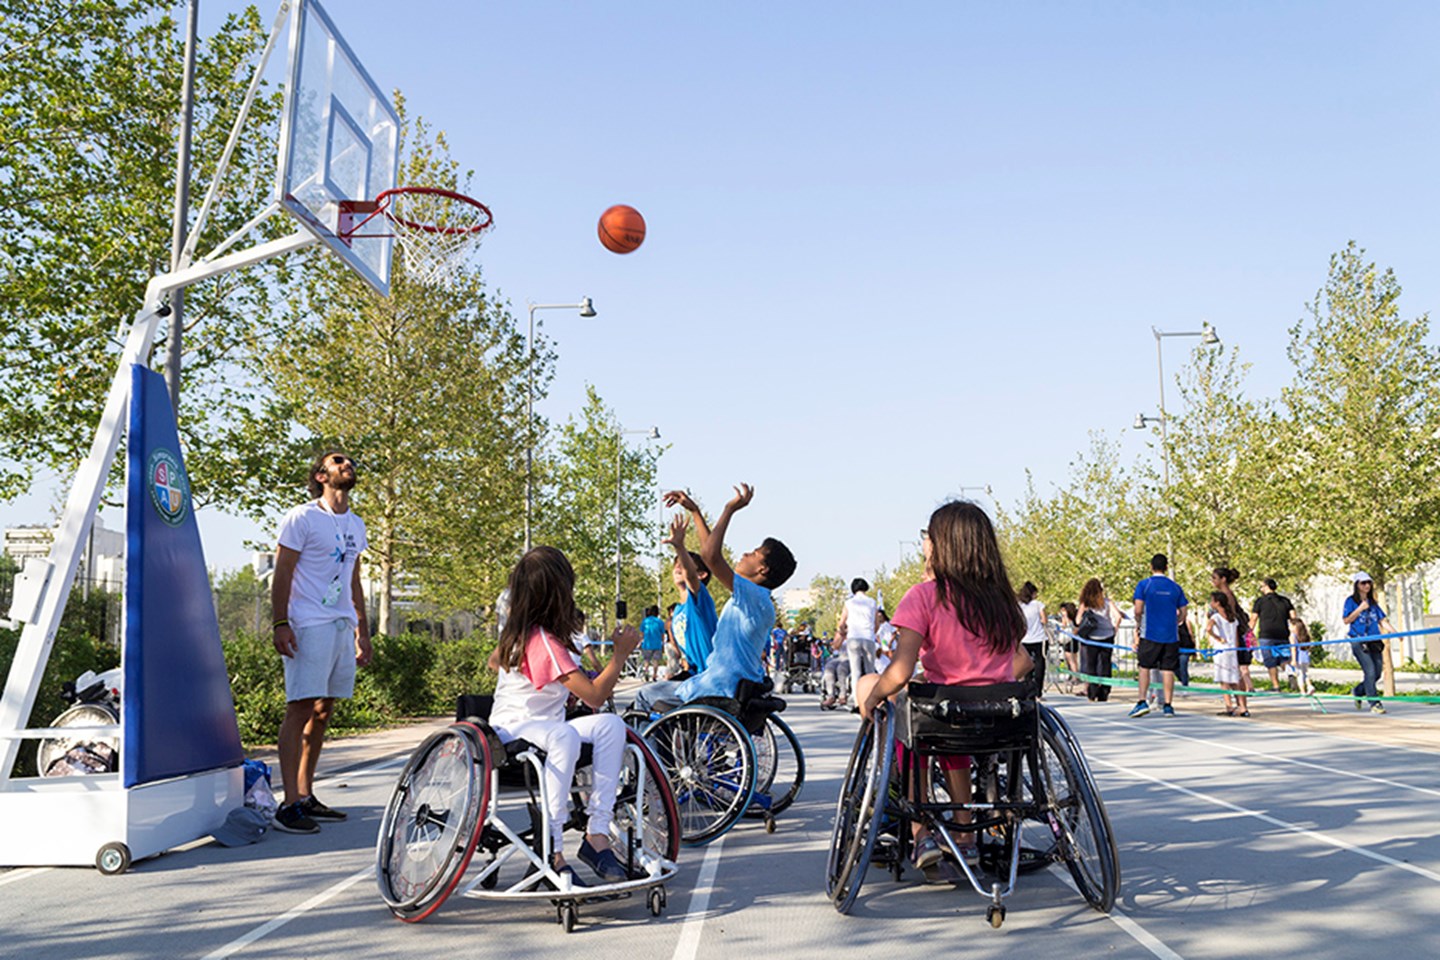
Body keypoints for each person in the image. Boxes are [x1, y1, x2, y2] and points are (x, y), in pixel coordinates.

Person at [857, 501, 1032, 884]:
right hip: (1002, 718)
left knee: (898, 706)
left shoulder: (925, 596)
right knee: (939, 713)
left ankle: (921, 831)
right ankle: (966, 832)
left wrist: (870, 697)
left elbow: (900, 671)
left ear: (941, 545)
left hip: (944, 717)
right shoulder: (1003, 600)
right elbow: (1023, 662)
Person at [487, 546, 642, 886]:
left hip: (536, 725)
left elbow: (494, 662)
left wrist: (539, 678)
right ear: (557, 593)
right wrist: (619, 656)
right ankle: (553, 849)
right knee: (566, 735)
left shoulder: (524, 633)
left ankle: (596, 833)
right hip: (513, 732)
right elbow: (595, 696)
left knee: (611, 726)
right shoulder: (542, 641)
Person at [270, 450, 373, 834]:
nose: (347, 465)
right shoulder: (302, 517)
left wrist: (362, 630)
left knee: (323, 709)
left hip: (340, 622)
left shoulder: (356, 524)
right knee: (299, 707)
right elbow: (282, 573)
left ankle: (306, 793)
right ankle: (288, 805)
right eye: (338, 461)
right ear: (321, 475)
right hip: (307, 621)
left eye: (350, 462)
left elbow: (354, 580)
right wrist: (281, 623)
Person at [633, 484, 796, 712]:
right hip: (726, 684)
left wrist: (729, 509)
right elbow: (710, 552)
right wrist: (695, 512)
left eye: (754, 553)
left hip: (716, 687)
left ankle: (651, 748)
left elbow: (710, 556)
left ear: (763, 570)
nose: (745, 554)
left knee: (643, 696)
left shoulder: (751, 596)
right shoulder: (760, 602)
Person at [661, 499, 719, 675]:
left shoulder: (699, 599)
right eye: (676, 564)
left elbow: (691, 576)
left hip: (711, 675)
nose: (678, 567)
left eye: (684, 564)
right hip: (695, 675)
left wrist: (679, 546)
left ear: (702, 575)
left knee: (647, 695)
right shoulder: (677, 611)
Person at [1130, 554, 1188, 718]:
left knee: (1144, 667)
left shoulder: (1144, 585)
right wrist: (1176, 621)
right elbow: (1183, 612)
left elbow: (1138, 609)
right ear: (1166, 567)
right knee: (1167, 669)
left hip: (1150, 633)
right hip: (1171, 635)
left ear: (1151, 566)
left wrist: (1139, 622)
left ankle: (1142, 701)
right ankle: (1168, 705)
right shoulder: (1175, 587)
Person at [1343, 572, 1392, 714]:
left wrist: (1395, 633)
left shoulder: (1373, 603)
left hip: (1374, 640)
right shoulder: (1350, 601)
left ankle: (1358, 690)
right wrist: (1359, 609)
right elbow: (1346, 620)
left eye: (1369, 582)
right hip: (1358, 640)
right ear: (1357, 585)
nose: (1367, 586)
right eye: (1363, 583)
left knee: (1377, 673)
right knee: (1369, 671)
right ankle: (1374, 703)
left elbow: (1382, 620)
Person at [1076, 578, 1123, 703]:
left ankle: (1092, 692)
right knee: (1106, 664)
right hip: (1107, 636)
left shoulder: (1085, 604)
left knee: (1091, 665)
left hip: (1092, 638)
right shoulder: (1107, 602)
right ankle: (1104, 692)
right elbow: (1118, 617)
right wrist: (1114, 629)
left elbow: (1078, 620)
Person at [1213, 567, 1254, 694]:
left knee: (1233, 673)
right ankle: (1236, 703)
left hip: (1231, 638)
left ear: (1223, 579)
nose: (1212, 581)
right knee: (1232, 673)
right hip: (1229, 639)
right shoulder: (1225, 594)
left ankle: (1240, 704)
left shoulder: (1227, 596)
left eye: (1214, 578)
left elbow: (1231, 619)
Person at [1252, 578, 1296, 691]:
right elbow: (1294, 617)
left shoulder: (1260, 602)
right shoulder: (1285, 601)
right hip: (1283, 634)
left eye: (1262, 586)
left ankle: (1276, 686)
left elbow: (1253, 619)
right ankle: (1291, 673)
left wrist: (1247, 633)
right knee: (1284, 659)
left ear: (1266, 587)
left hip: (1266, 635)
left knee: (1270, 661)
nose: (1261, 589)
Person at [1208, 591, 1248, 717]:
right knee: (1235, 679)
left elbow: (1208, 629)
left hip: (1221, 650)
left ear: (1217, 602)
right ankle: (1242, 707)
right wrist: (1235, 648)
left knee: (1224, 681)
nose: (1210, 603)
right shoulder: (1233, 618)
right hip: (1232, 651)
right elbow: (1236, 638)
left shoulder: (1215, 617)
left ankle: (1229, 706)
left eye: (1212, 601)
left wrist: (1218, 638)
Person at [839, 578, 880, 690]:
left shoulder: (849, 603)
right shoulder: (872, 602)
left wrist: (843, 632)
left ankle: (857, 700)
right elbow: (877, 623)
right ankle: (871, 696)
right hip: (868, 637)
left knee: (855, 671)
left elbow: (841, 623)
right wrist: (872, 633)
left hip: (853, 638)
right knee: (870, 671)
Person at [1017, 582, 1048, 695]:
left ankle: (1027, 690)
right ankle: (1038, 691)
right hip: (1039, 638)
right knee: (1040, 664)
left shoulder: (1019, 605)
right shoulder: (1038, 605)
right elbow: (1044, 620)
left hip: (1025, 638)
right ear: (1033, 593)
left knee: (1026, 665)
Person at [1288, 610, 1315, 695]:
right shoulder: (1305, 635)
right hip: (1306, 657)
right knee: (1305, 673)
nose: (1289, 627)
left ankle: (1302, 691)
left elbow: (1293, 649)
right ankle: (1310, 686)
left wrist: (1293, 660)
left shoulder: (1292, 636)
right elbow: (1310, 646)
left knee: (1299, 675)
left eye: (1290, 625)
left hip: (1298, 658)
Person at [1056, 602, 1081, 693]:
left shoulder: (1067, 618)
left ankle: (1074, 676)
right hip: (1074, 640)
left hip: (1068, 640)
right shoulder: (1075, 618)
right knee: (1074, 659)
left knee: (1070, 660)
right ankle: (1074, 675)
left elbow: (1064, 626)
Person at [639, 605, 666, 682]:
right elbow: (662, 634)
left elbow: (641, 633)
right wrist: (663, 643)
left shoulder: (645, 621)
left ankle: (646, 674)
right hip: (657, 644)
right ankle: (654, 675)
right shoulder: (660, 622)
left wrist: (640, 641)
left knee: (646, 660)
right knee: (655, 661)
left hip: (647, 644)